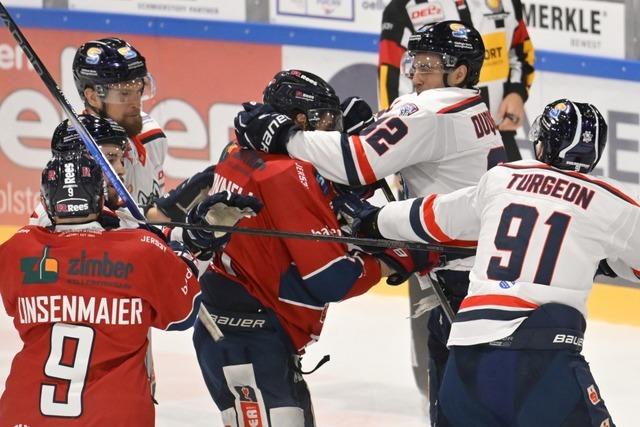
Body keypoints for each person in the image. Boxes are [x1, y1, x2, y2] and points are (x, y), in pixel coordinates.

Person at [233, 21, 504, 422]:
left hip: (461, 281)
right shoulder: (471, 109)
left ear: (458, 72)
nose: (413, 73)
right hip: (483, 272)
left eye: (426, 64)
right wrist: (365, 130)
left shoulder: (431, 109)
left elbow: (358, 164)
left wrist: (286, 135)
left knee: (460, 409)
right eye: (413, 62)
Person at [334, 99, 626, 426]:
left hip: (467, 359)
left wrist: (372, 219)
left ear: (543, 143)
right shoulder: (609, 203)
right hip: (542, 357)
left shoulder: (502, 178)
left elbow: (431, 217)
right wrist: (604, 260)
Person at [193, 69, 430, 427]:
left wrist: (349, 184)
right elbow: (331, 277)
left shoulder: (243, 150)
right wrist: (398, 258)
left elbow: (304, 206)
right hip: (249, 339)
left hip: (241, 330)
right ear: (301, 119)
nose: (333, 129)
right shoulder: (287, 173)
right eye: (327, 119)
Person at [0, 150, 202, 426]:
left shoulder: (17, 250)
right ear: (100, 198)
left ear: (47, 202)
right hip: (114, 416)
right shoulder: (141, 250)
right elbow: (183, 315)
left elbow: (20, 298)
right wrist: (180, 252)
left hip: (24, 414)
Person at [378, 0, 534, 162]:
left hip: (497, 134)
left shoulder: (508, 2)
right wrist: (398, 153)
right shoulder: (402, 7)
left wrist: (517, 92)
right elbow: (390, 82)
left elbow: (521, 52)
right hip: (434, 145)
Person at [73, 37, 167, 208]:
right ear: (93, 97)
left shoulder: (152, 134)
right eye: (124, 94)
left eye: (138, 89)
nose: (135, 102)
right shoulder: (80, 156)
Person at [29, 114, 130, 226]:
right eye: (109, 160)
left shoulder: (122, 213)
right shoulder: (52, 215)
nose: (121, 170)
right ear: (71, 166)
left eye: (121, 161)